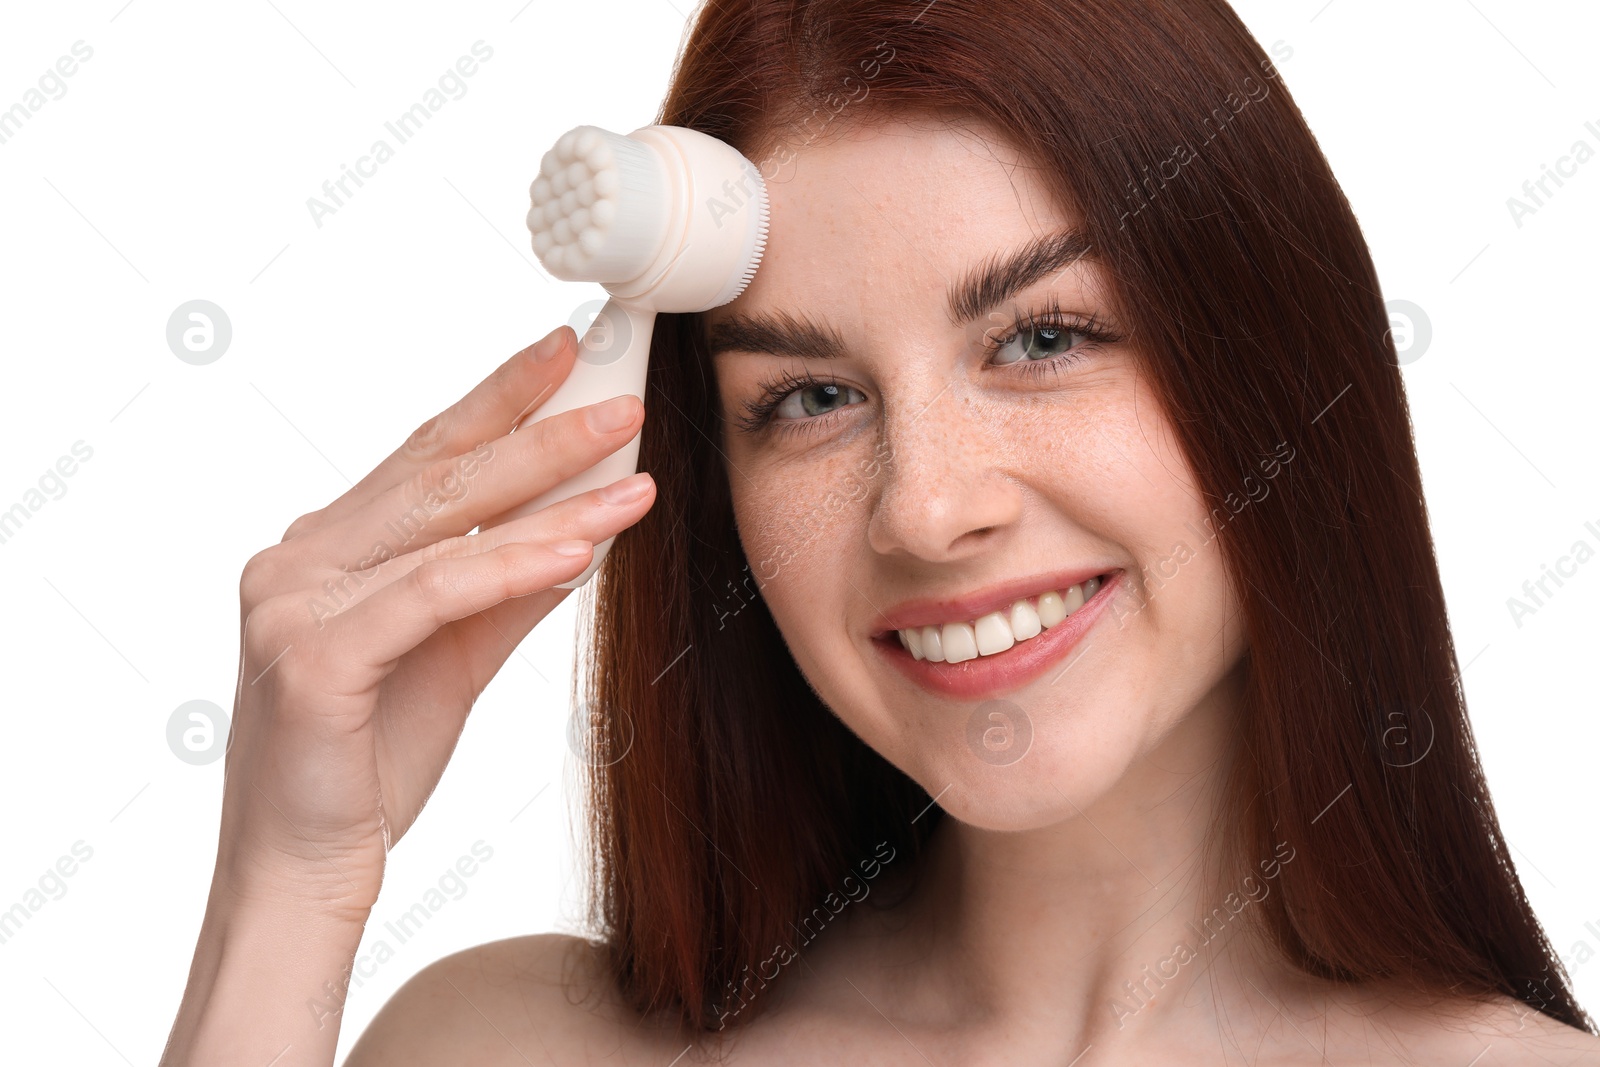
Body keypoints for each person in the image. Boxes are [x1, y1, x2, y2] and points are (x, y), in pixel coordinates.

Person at [161, 1, 1600, 1063]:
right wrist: (285, 889)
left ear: (1275, 367)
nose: (923, 506)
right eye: (809, 397)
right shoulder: (497, 1047)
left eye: (1043, 336)